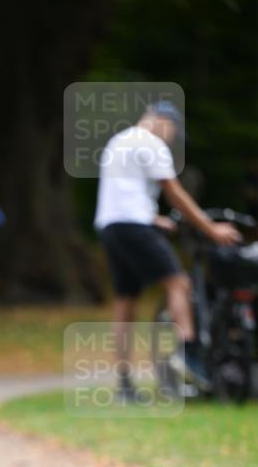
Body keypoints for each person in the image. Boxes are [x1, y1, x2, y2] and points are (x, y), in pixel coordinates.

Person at [94, 101, 240, 400]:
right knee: (179, 283)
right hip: (135, 226)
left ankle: (124, 385)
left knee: (125, 302)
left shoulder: (117, 141)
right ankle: (189, 353)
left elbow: (123, 193)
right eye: (173, 132)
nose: (172, 140)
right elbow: (174, 192)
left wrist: (153, 218)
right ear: (164, 122)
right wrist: (210, 229)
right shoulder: (152, 142)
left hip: (111, 227)